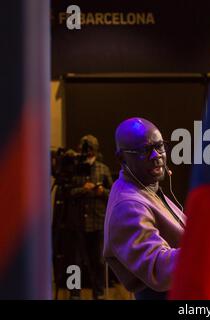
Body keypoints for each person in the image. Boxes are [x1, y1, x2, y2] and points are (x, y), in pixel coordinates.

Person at [103, 117, 186, 300]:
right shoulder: (128, 205)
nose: (156, 156)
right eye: (144, 150)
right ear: (121, 158)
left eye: (159, 146)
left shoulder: (146, 187)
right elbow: (158, 268)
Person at [68, 134, 113, 299]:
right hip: (77, 223)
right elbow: (68, 193)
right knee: (75, 263)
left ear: (95, 151)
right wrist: (83, 189)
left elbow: (113, 195)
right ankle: (74, 294)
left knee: (98, 262)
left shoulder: (103, 169)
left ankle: (99, 294)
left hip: (97, 222)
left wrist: (102, 192)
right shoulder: (74, 168)